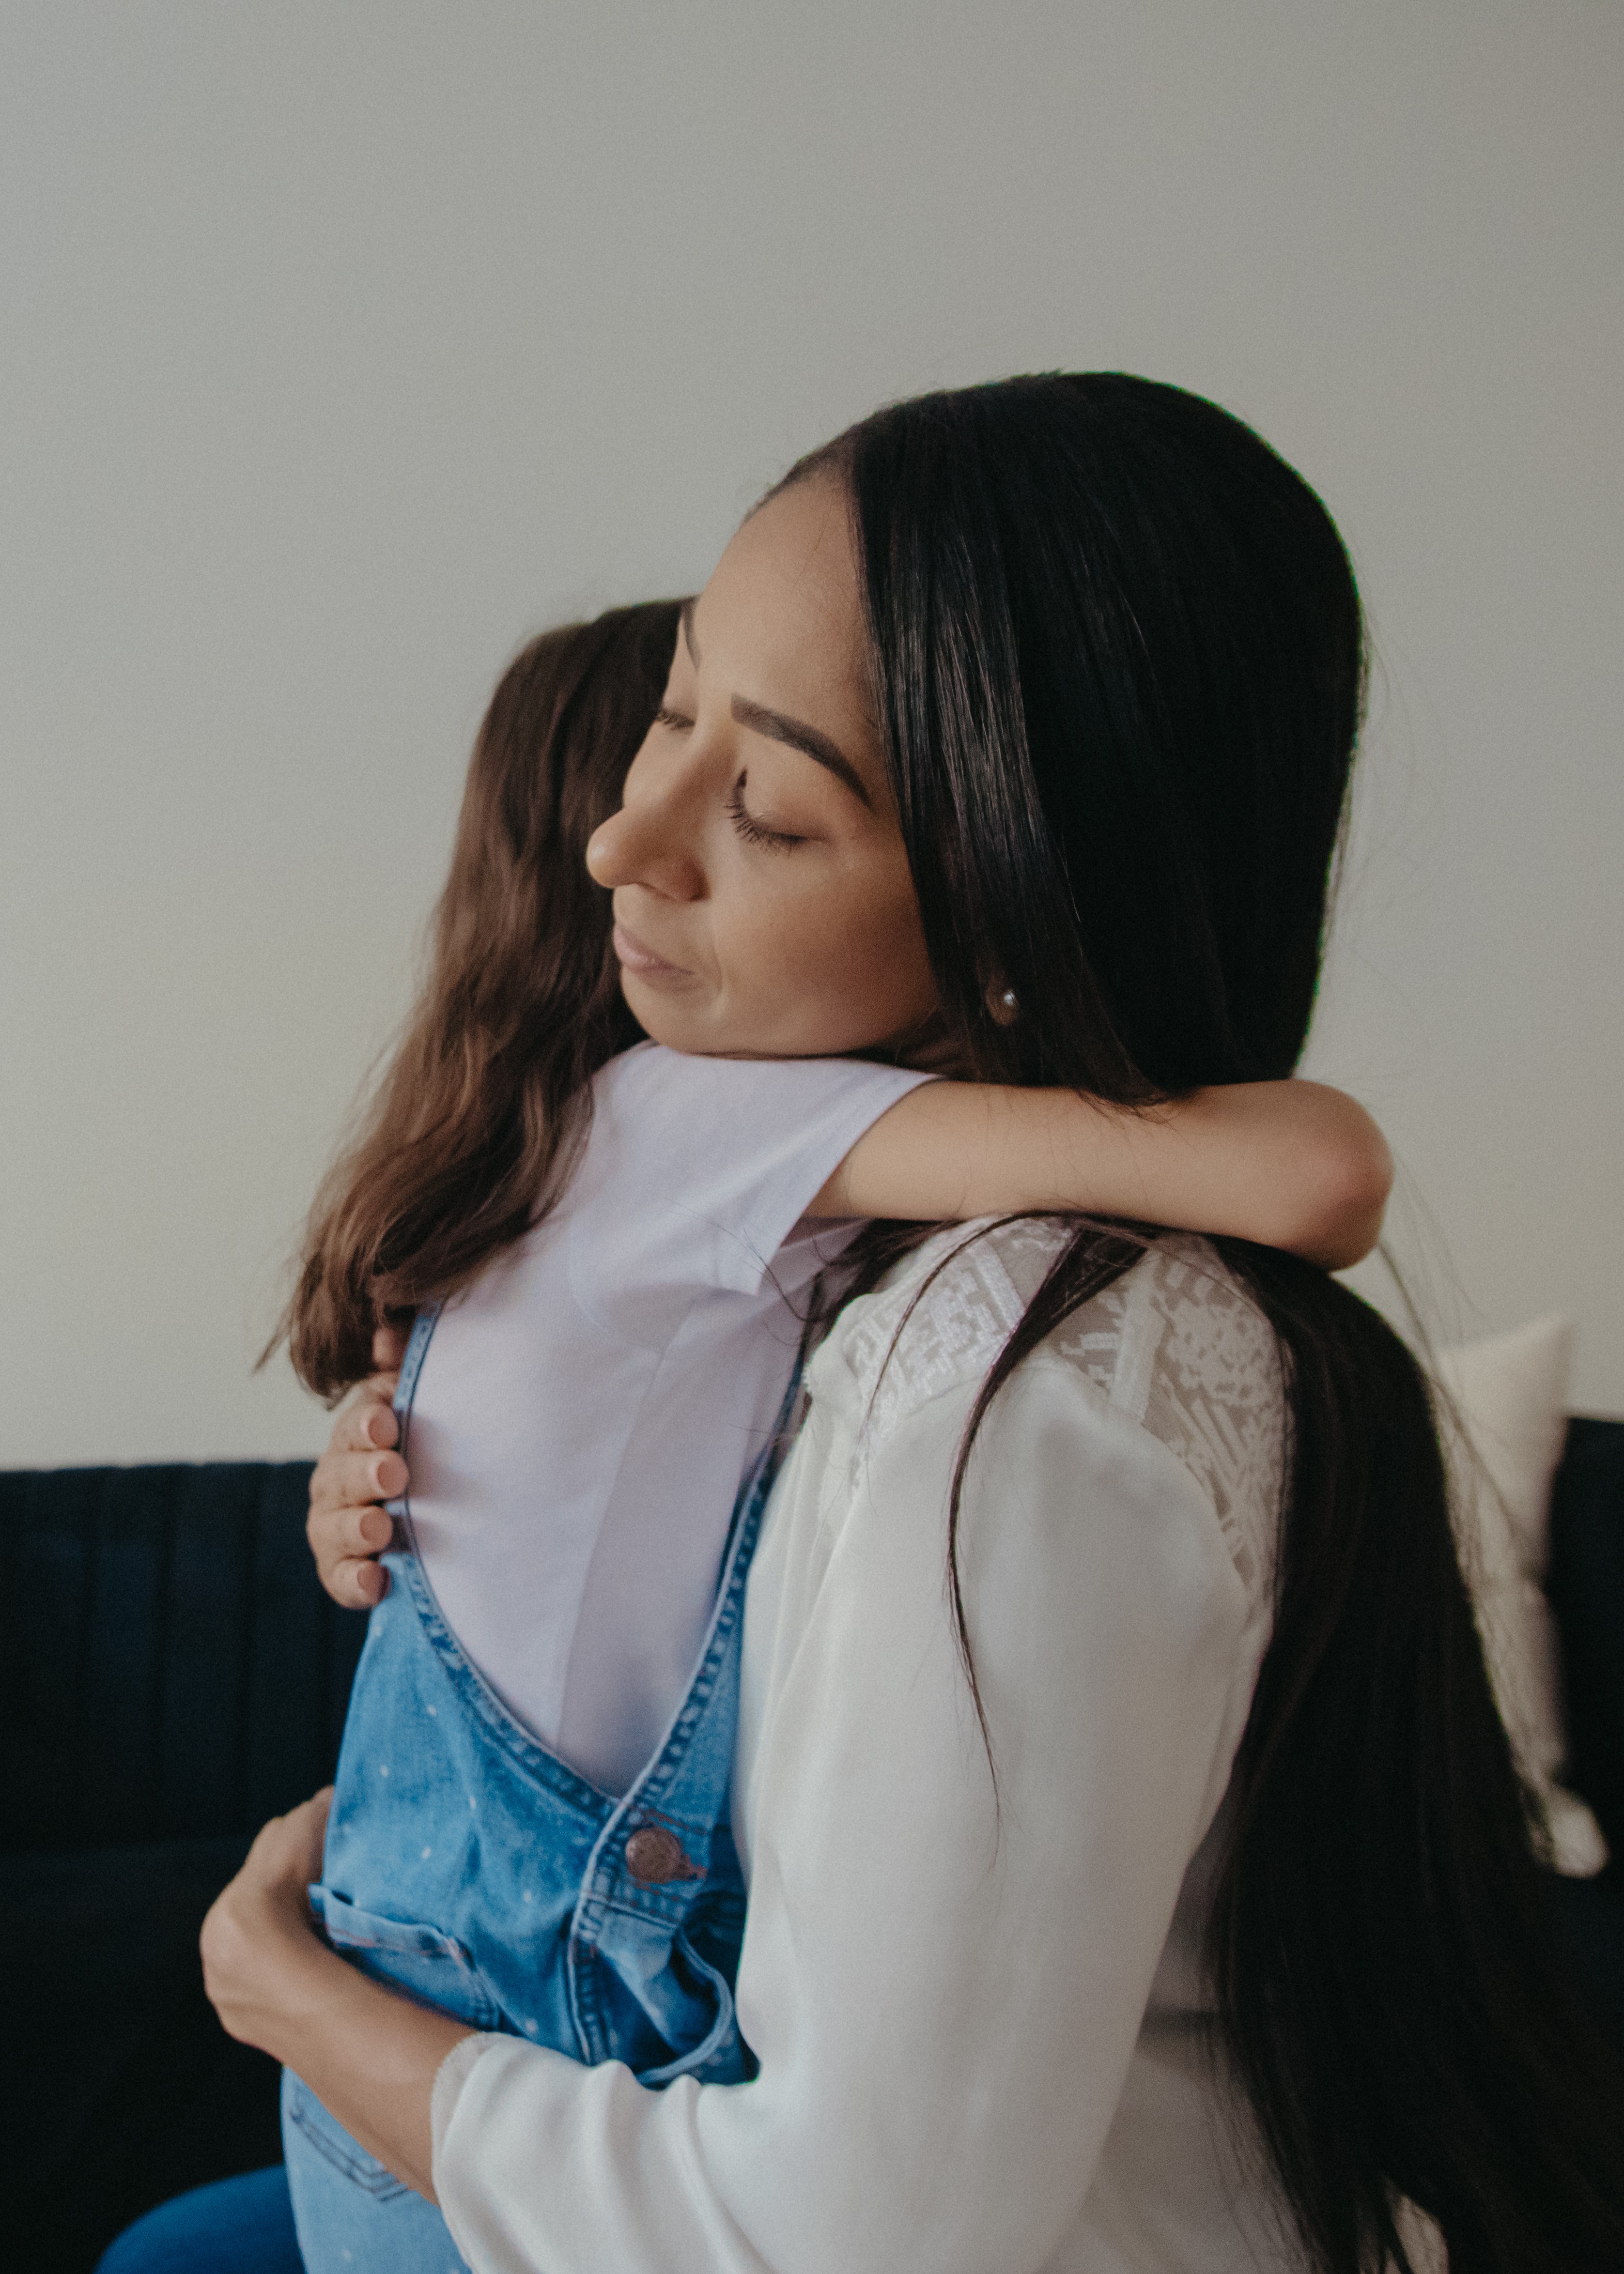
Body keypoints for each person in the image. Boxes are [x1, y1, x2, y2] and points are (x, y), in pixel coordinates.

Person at [145, 372, 1624, 2271]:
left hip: (502, 2025)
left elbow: (1313, 1168)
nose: (624, 844)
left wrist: (285, 1995)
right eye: (666, 716)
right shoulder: (873, 1274)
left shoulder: (994, 1380)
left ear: (1018, 906)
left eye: (760, 804)